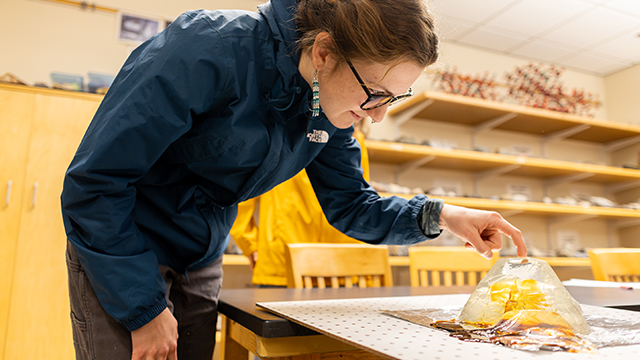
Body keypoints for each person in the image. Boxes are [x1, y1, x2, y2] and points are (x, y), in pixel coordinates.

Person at [60, 0, 528, 359]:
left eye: (395, 99)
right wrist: (143, 309)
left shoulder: (325, 108)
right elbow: (96, 184)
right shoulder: (205, 50)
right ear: (323, 51)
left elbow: (352, 206)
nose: (379, 116)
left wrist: (443, 215)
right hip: (123, 245)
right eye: (375, 95)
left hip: (200, 257)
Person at [230, 124, 369, 287]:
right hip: (284, 257)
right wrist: (249, 244)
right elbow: (244, 191)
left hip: (339, 263)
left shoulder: (353, 141)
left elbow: (360, 202)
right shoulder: (275, 132)